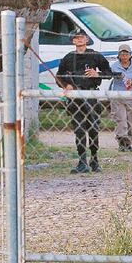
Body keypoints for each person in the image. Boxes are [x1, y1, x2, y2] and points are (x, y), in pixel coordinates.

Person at [56, 29, 111, 174]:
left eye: (82, 37)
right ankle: (82, 161)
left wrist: (97, 73)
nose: (79, 39)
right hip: (75, 100)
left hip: (91, 97)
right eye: (76, 38)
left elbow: (109, 73)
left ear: (87, 39)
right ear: (73, 41)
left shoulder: (95, 56)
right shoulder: (68, 58)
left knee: (93, 129)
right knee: (79, 130)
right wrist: (66, 85)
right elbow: (58, 77)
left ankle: (94, 160)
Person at [108, 44, 132, 152]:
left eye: (126, 54)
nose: (124, 56)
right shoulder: (114, 66)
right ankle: (122, 143)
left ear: (130, 55)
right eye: (122, 54)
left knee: (131, 122)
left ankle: (129, 143)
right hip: (118, 97)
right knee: (121, 121)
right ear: (118, 55)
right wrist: (117, 76)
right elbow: (109, 75)